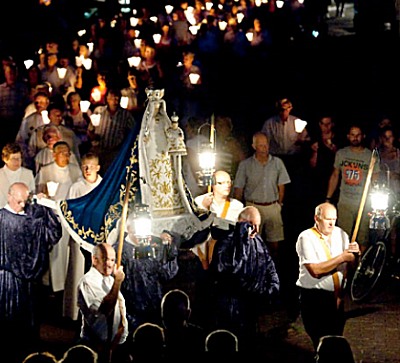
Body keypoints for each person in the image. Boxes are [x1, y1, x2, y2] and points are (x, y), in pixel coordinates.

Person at [0, 182, 62, 363]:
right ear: (9, 196)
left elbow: (53, 234)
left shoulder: (32, 218)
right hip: (5, 283)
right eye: (18, 201)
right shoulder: (2, 218)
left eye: (25, 202)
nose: (22, 206)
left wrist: (46, 206)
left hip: (27, 285)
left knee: (28, 323)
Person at [209, 206, 280, 354]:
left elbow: (268, 264)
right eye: (252, 224)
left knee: (249, 344)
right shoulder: (226, 243)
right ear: (242, 222)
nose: (256, 230)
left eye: (258, 225)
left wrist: (272, 286)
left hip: (251, 305)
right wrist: (241, 240)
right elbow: (233, 271)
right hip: (231, 307)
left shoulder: (257, 240)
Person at [295, 202, 360, 350]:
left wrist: (355, 257)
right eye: (327, 219)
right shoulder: (306, 237)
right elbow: (316, 270)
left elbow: (351, 267)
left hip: (337, 297)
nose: (332, 223)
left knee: (335, 340)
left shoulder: (341, 234)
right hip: (314, 297)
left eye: (334, 219)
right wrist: (343, 257)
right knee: (320, 341)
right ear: (317, 218)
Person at [111, 212, 179, 333]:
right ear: (129, 228)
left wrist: (169, 249)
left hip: (155, 308)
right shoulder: (118, 251)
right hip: (131, 312)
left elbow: (167, 274)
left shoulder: (155, 246)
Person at [233, 131, 290, 266]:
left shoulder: (277, 163)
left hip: (272, 206)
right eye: (261, 146)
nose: (264, 148)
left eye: (266, 145)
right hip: (253, 206)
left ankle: (272, 268)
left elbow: (281, 185)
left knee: (274, 242)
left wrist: (279, 204)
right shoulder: (245, 165)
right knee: (251, 241)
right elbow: (239, 188)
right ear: (254, 146)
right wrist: (237, 210)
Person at [326, 125, 380, 253]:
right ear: (348, 136)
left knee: (362, 239)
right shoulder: (342, 153)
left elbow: (375, 180)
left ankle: (359, 267)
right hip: (345, 202)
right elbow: (335, 176)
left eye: (358, 135)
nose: (355, 138)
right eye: (352, 135)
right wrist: (328, 198)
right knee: (343, 238)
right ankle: (345, 268)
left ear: (363, 136)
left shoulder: (370, 156)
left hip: (364, 203)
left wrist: (374, 203)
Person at [63, 152, 103, 322]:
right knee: (79, 273)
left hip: (98, 237)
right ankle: (76, 313)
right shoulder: (76, 187)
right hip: (80, 237)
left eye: (91, 167)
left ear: (98, 168)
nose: (88, 170)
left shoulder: (103, 187)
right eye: (85, 167)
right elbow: (69, 212)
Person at [77, 242, 128, 363]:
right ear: (95, 260)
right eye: (106, 259)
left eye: (112, 260)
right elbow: (105, 309)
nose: (110, 264)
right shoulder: (88, 281)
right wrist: (117, 283)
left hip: (115, 346)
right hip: (96, 347)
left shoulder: (110, 279)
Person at [161, 288, 205, 362]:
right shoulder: (198, 336)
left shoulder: (157, 338)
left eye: (176, 315)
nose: (171, 319)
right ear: (188, 314)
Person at [0, 142, 35, 208]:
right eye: (14, 159)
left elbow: (32, 194)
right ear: (5, 159)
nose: (17, 161)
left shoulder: (28, 174)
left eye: (19, 158)